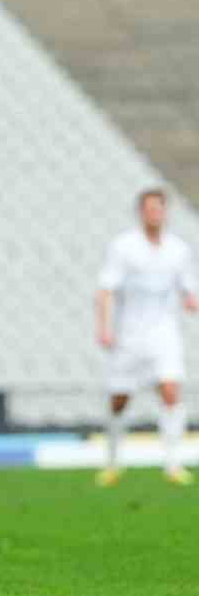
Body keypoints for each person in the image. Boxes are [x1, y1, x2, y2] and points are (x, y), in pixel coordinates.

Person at [94, 187, 197, 487]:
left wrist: (191, 302)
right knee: (119, 400)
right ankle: (112, 463)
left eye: (159, 209)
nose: (154, 214)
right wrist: (104, 328)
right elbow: (105, 290)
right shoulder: (124, 247)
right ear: (141, 212)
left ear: (165, 213)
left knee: (170, 391)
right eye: (149, 209)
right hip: (129, 335)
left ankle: (173, 465)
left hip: (164, 334)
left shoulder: (179, 250)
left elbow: (189, 290)